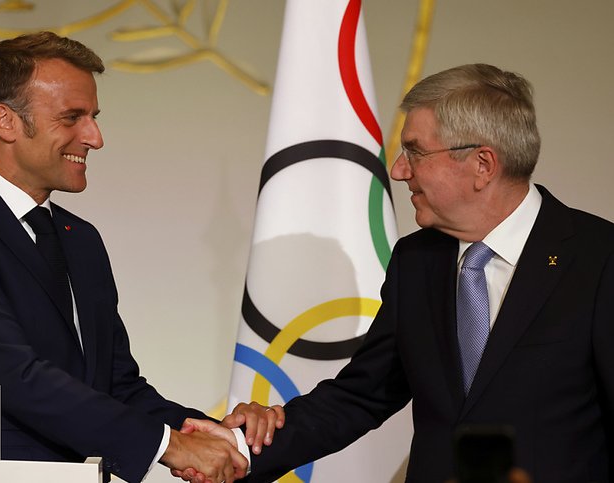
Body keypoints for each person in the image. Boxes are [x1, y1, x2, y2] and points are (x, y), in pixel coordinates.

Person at [0, 31, 281, 483]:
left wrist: (220, 434)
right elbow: (15, 378)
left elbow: (116, 386)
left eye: (93, 117)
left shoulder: (81, 239)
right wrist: (170, 446)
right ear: (5, 121)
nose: (95, 137)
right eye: (72, 117)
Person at [222, 64, 614, 482]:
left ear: (482, 164)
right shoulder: (416, 260)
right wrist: (243, 446)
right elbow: (363, 395)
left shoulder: (598, 258)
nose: (398, 170)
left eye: (415, 152)